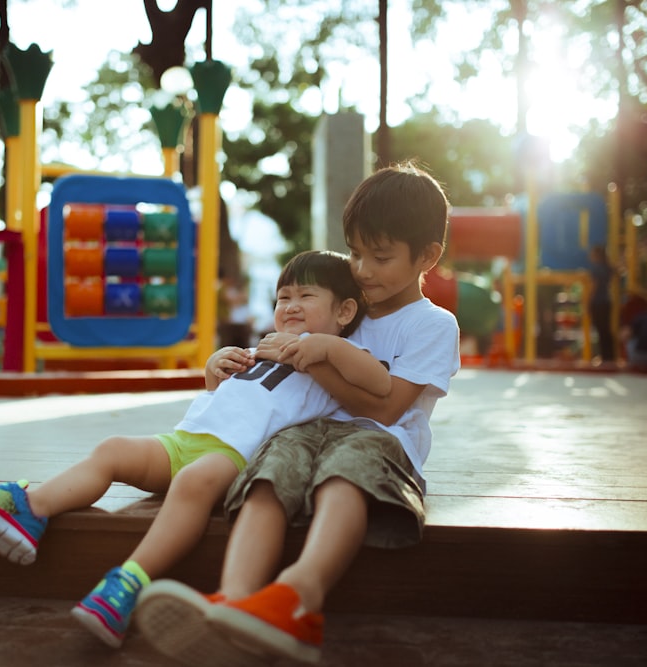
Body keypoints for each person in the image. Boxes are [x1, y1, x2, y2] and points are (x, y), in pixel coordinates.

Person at [0, 250, 391, 649]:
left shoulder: (335, 358)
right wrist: (216, 370)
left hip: (233, 456)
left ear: (345, 311)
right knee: (113, 448)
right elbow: (232, 396)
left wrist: (320, 345)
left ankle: (127, 584)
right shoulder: (266, 347)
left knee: (193, 483)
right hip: (184, 440)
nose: (290, 306)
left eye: (305, 297)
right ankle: (31, 509)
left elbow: (378, 381)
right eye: (282, 298)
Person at [135, 162, 461, 665]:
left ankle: (296, 598)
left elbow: (391, 407)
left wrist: (316, 352)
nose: (364, 270)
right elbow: (285, 374)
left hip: (382, 441)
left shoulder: (432, 324)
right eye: (355, 253)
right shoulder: (344, 305)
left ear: (428, 257)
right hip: (307, 430)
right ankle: (236, 601)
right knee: (268, 472)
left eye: (381, 256)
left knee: (344, 474)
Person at [588, 245, 615, 362]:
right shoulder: (607, 268)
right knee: (606, 330)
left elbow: (594, 286)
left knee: (600, 329)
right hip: (607, 301)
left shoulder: (596, 268)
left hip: (598, 302)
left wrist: (588, 300)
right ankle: (610, 356)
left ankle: (605, 357)